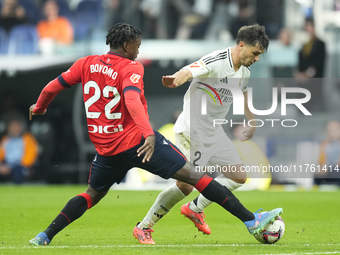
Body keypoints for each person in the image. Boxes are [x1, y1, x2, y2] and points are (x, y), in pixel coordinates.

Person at [28, 23, 282, 246]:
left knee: (90, 195)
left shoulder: (86, 63)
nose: (139, 50)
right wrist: (149, 132)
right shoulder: (132, 67)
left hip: (107, 150)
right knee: (196, 179)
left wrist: (39, 106)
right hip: (141, 142)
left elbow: (54, 85)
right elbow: (134, 99)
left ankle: (45, 235)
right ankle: (250, 220)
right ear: (127, 45)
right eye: (137, 46)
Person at [134, 24, 277, 244]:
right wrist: (176, 80)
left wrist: (252, 119)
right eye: (255, 53)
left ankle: (195, 208)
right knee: (186, 185)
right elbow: (189, 71)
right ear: (241, 45)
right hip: (192, 131)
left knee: (239, 177)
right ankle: (144, 227)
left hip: (214, 132)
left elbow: (244, 93)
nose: (257, 59)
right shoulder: (217, 60)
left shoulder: (245, 70)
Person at [295, 17, 326, 112]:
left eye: (310, 26)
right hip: (302, 78)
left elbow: (319, 62)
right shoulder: (303, 44)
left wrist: (308, 74)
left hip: (314, 78)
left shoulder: (320, 44)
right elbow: (299, 61)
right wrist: (299, 73)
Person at [0, 118, 38, 184]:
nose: (14, 128)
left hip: (22, 165)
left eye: (16, 126)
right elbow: (1, 153)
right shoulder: (5, 139)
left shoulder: (27, 138)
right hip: (7, 164)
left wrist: (13, 167)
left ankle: (18, 188)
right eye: (12, 126)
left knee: (18, 171)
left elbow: (31, 154)